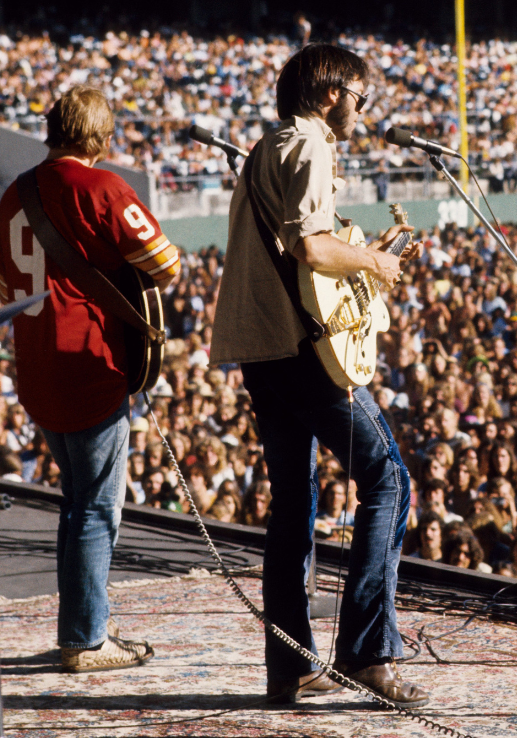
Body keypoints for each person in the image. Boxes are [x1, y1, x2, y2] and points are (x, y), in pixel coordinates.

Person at [209, 44, 427, 707]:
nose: (365, 111)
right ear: (332, 93)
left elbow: (303, 257)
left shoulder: (267, 145)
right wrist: (375, 263)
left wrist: (364, 253)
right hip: (304, 355)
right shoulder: (310, 145)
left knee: (294, 508)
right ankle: (367, 652)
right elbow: (312, 247)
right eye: (361, 97)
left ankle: (292, 664)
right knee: (388, 477)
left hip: (263, 352)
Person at [0, 85, 179, 671]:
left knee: (76, 502)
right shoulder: (102, 186)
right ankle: (85, 638)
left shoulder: (13, 194)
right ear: (100, 136)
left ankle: (86, 620)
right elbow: (166, 264)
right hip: (90, 366)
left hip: (37, 370)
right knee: (96, 508)